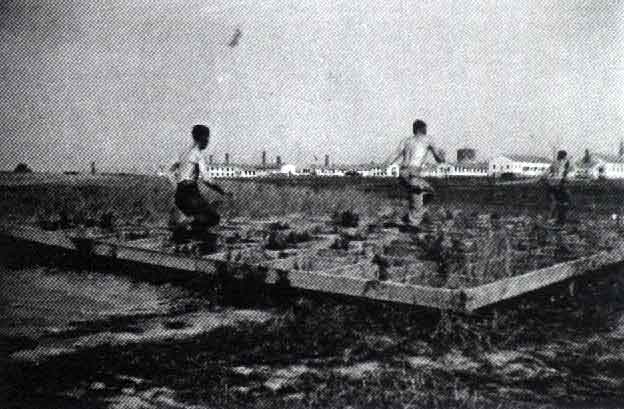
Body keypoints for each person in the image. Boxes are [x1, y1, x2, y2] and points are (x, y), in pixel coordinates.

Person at [168, 125, 228, 237]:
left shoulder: (183, 153)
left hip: (180, 195)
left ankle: (186, 234)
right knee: (214, 218)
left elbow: (169, 172)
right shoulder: (198, 155)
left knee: (201, 219)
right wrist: (222, 191)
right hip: (190, 193)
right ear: (202, 137)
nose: (208, 141)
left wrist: (176, 186)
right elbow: (206, 180)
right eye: (207, 138)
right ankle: (181, 229)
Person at [385, 120, 445, 229]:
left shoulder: (406, 140)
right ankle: (412, 223)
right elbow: (439, 159)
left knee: (426, 193)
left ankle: (409, 217)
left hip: (402, 172)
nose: (426, 131)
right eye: (425, 129)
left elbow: (394, 155)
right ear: (422, 129)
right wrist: (442, 155)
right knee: (421, 196)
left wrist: (385, 165)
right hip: (413, 173)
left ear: (414, 129)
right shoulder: (428, 139)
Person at [541, 150, 572, 225]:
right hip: (557, 185)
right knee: (561, 201)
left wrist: (544, 178)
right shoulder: (560, 163)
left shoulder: (557, 163)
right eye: (564, 156)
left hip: (555, 184)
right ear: (563, 156)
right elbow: (560, 174)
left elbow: (549, 172)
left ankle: (555, 218)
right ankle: (556, 219)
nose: (565, 158)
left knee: (559, 202)